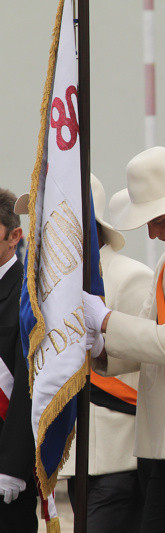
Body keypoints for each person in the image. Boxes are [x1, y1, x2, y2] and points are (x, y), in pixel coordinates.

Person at [82, 146, 165, 533]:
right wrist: (99, 348)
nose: (152, 232)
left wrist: (107, 320)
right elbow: (145, 338)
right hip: (155, 436)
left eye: (158, 219)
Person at [59, 176, 153, 532]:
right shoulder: (57, 284)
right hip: (77, 454)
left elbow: (148, 360)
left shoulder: (132, 277)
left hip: (117, 454)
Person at [0, 188, 36, 532]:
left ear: (14, 237)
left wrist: (13, 465)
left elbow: (29, 383)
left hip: (5, 467)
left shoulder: (28, 294)